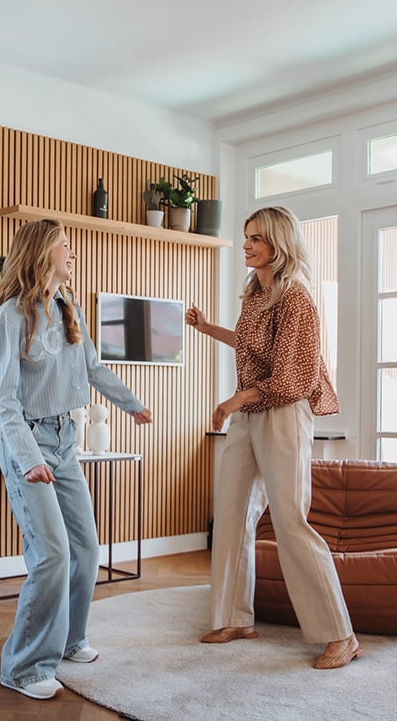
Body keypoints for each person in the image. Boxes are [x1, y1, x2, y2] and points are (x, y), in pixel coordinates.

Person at [0, 218, 152, 700]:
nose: (72, 253)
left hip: (66, 442)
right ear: (42, 253)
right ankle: (24, 666)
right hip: (30, 445)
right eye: (65, 246)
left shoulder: (67, 304)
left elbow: (92, 369)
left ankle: (72, 639)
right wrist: (28, 457)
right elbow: (6, 402)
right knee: (52, 554)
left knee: (87, 551)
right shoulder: (13, 316)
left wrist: (132, 403)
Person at [185, 206, 360, 670]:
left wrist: (230, 403)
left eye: (256, 239)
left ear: (278, 245)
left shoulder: (296, 299)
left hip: (282, 413)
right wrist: (206, 329)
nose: (247, 245)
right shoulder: (254, 295)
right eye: (246, 237)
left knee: (289, 521)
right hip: (250, 411)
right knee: (232, 513)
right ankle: (234, 617)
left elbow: (288, 379)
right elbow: (250, 346)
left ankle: (341, 635)